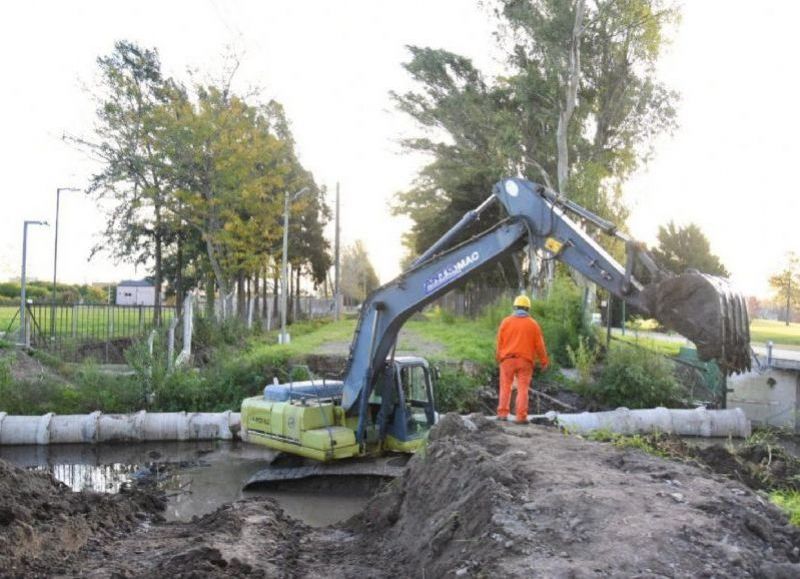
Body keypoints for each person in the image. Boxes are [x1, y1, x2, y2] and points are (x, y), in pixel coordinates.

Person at [496, 294, 549, 424]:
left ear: (515, 307)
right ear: (528, 309)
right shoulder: (533, 324)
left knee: (505, 387)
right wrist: (544, 361)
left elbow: (500, 343)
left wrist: (499, 357)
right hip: (525, 362)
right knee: (523, 389)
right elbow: (539, 345)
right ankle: (521, 417)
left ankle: (502, 414)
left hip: (507, 360)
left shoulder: (506, 322)